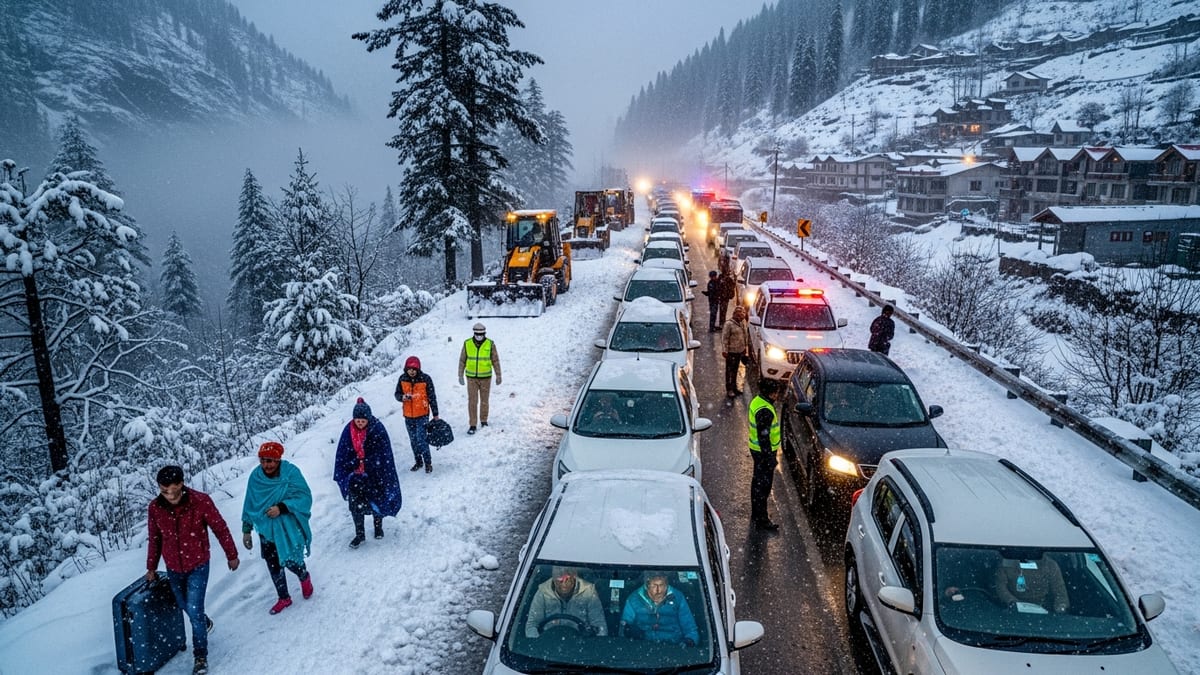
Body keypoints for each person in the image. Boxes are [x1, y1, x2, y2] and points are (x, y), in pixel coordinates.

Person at [146, 465, 240, 675]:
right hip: (173, 567)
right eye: (164, 490)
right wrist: (151, 567)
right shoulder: (155, 508)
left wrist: (231, 554)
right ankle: (203, 622)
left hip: (198, 564)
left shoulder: (200, 501)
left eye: (173, 489)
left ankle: (200, 656)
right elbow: (154, 539)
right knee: (183, 604)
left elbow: (220, 528)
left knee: (194, 610)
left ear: (181, 484)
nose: (169, 495)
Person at [241, 442, 314, 615]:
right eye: (264, 460)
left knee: (292, 560)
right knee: (273, 564)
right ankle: (284, 597)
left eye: (272, 461)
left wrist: (282, 507)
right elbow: (250, 503)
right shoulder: (256, 477)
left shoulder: (290, 474)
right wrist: (246, 529)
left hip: (288, 527)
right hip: (266, 530)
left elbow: (304, 497)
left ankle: (304, 577)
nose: (267, 465)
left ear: (279, 459)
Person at [334, 398, 403, 549]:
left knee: (376, 500)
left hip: (375, 474)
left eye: (363, 420)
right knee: (355, 505)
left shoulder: (377, 429)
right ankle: (360, 534)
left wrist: (367, 461)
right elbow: (343, 453)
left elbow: (383, 453)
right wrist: (354, 464)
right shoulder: (348, 431)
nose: (360, 423)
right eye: (357, 420)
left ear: (368, 419)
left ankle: (378, 526)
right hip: (355, 476)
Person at [524, 566, 608, 638]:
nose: (564, 584)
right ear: (553, 578)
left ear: (574, 576)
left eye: (567, 579)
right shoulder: (542, 592)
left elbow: (600, 627)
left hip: (581, 647)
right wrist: (539, 645)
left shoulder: (588, 592)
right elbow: (532, 625)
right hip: (548, 645)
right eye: (559, 581)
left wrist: (591, 648)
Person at [620, 572, 700, 646]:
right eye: (654, 585)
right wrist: (632, 633)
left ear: (667, 585)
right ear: (647, 585)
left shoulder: (678, 598)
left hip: (674, 648)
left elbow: (690, 628)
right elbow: (624, 629)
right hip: (642, 647)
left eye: (661, 585)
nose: (658, 590)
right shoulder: (634, 599)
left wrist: (689, 641)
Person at [394, 355, 440, 473]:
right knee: (413, 440)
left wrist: (435, 414)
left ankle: (428, 463)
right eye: (409, 369)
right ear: (406, 369)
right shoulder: (402, 379)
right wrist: (403, 397)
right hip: (408, 416)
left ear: (418, 369)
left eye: (414, 369)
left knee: (422, 439)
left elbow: (432, 397)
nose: (412, 371)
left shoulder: (425, 379)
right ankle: (418, 461)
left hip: (422, 415)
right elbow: (397, 394)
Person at [748, 379, 783, 531]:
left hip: (756, 451)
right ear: (771, 393)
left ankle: (756, 513)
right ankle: (762, 519)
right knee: (763, 486)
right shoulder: (765, 410)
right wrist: (770, 458)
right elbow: (764, 437)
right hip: (763, 453)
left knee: (757, 483)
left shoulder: (758, 402)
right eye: (776, 392)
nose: (778, 395)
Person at [458, 323, 502, 435]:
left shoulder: (490, 344)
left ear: (484, 333)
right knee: (472, 401)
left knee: (484, 401)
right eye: (477, 334)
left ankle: (484, 420)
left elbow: (495, 360)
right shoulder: (467, 344)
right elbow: (462, 360)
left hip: (486, 378)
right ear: (474, 333)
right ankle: (472, 424)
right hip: (471, 378)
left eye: (481, 334)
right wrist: (460, 375)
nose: (479, 336)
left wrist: (498, 375)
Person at [994, 554, 1070, 614]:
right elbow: (1000, 587)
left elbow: (1060, 592)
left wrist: (1060, 609)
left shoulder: (1050, 566)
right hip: (1012, 612)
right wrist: (1013, 602)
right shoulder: (1007, 563)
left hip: (1044, 612)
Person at [721, 306, 751, 398]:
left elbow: (745, 335)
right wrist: (725, 350)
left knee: (735, 370)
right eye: (740, 315)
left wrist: (745, 348)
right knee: (730, 371)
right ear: (736, 315)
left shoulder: (742, 323)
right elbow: (724, 338)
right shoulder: (729, 324)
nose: (742, 317)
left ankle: (734, 387)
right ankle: (729, 389)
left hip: (739, 351)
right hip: (731, 352)